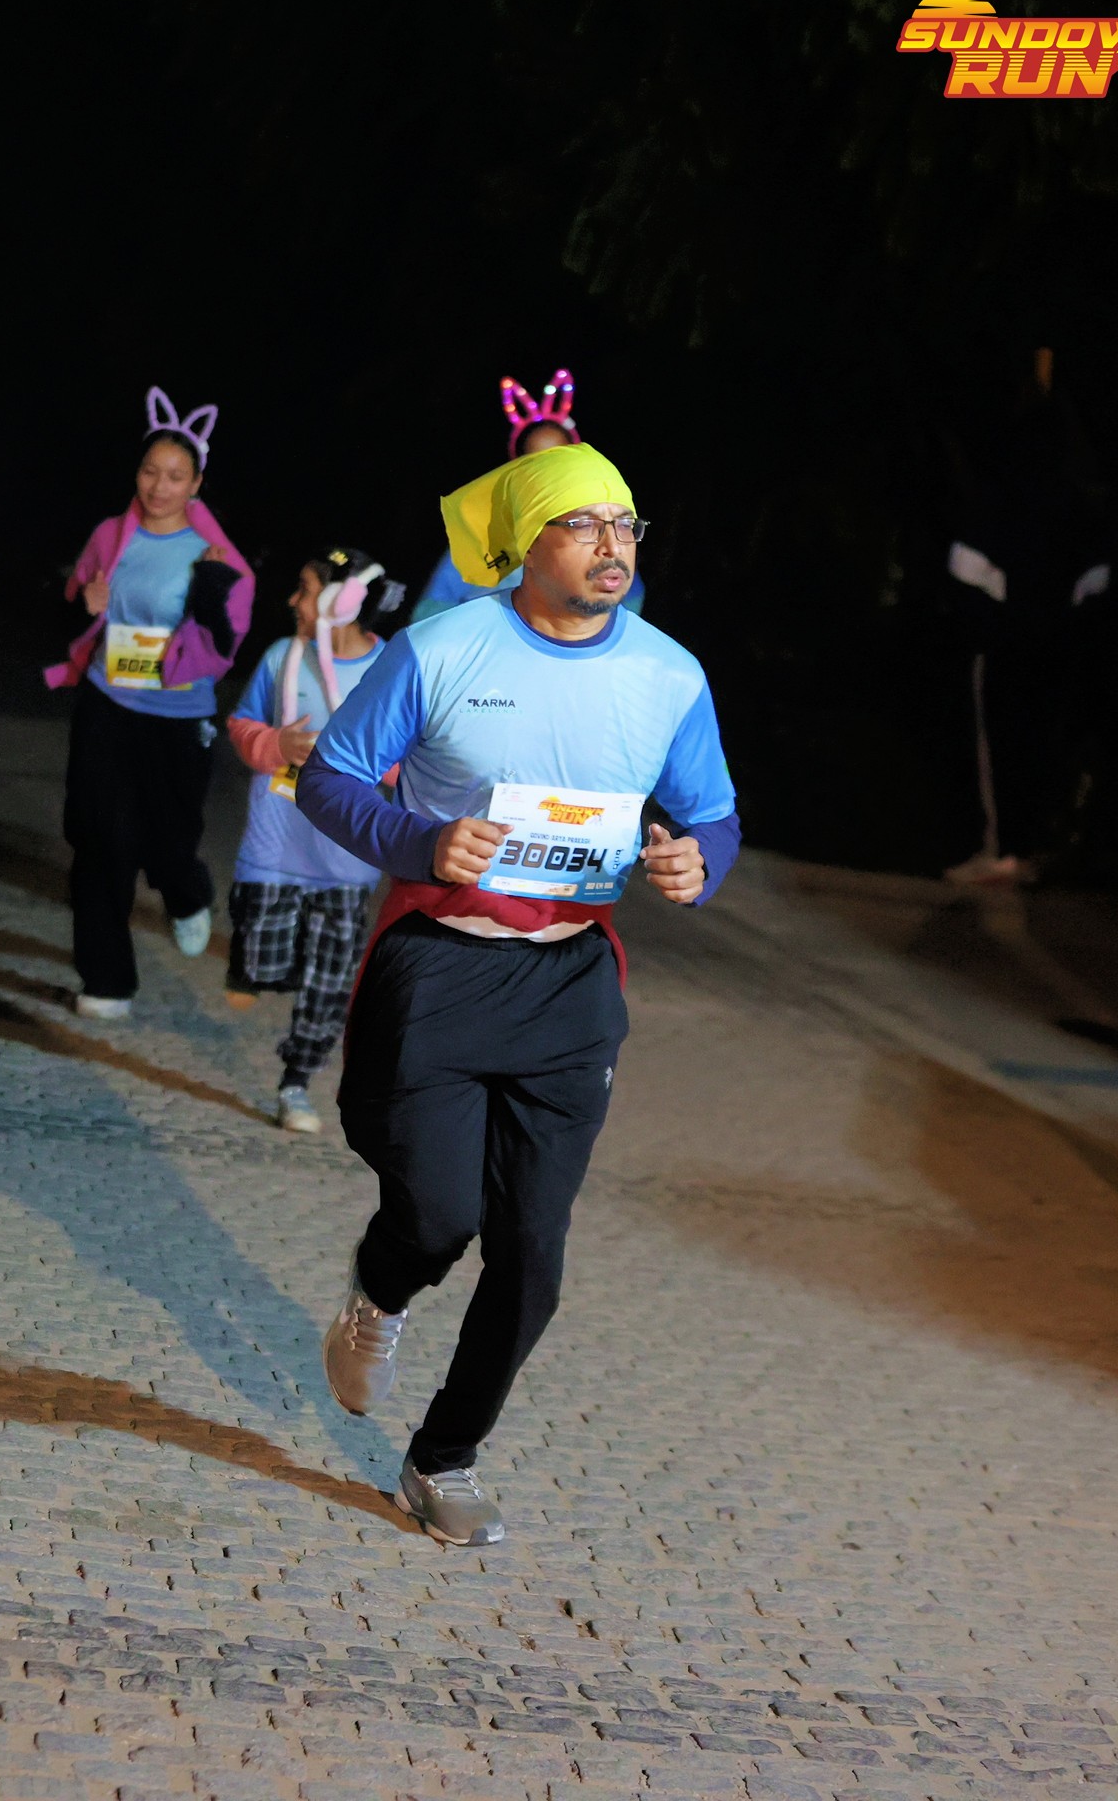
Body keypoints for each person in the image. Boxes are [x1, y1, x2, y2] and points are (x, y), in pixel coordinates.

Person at [296, 441, 740, 1547]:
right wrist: (419, 841)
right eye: (583, 524)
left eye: (625, 525)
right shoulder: (442, 647)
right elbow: (329, 779)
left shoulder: (670, 674)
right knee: (436, 1217)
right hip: (439, 960)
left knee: (534, 1251)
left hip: (570, 979)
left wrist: (700, 862)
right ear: (527, 545)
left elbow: (711, 813)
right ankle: (380, 1293)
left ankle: (444, 1458)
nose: (611, 545)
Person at [43, 388, 255, 1019]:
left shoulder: (216, 557)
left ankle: (186, 892)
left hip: (178, 718)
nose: (159, 487)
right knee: (97, 838)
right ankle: (106, 981)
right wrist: (83, 603)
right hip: (107, 702)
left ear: (197, 483)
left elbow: (223, 650)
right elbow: (72, 603)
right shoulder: (110, 536)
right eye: (149, 472)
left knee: (167, 843)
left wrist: (210, 592)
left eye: (175, 476)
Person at [224, 546, 400, 1132]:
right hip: (274, 849)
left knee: (329, 984)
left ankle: (296, 1081)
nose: (293, 601)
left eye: (304, 589)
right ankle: (255, 968)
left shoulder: (391, 670)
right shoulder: (283, 656)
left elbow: (413, 757)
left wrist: (366, 763)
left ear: (341, 601)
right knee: (264, 961)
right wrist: (277, 744)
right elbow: (242, 724)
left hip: (347, 862)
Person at [937, 344, 1114, 885]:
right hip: (1054, 642)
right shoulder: (1077, 500)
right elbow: (1096, 577)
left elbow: (967, 564)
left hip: (1009, 642)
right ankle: (1025, 845)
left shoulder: (1005, 492)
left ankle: (1004, 848)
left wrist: (987, 623)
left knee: (1000, 743)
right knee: (1040, 741)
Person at [410, 370, 647, 623]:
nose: (549, 471)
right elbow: (427, 614)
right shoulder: (485, 537)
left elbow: (630, 602)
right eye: (537, 462)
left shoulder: (601, 530)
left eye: (559, 458)